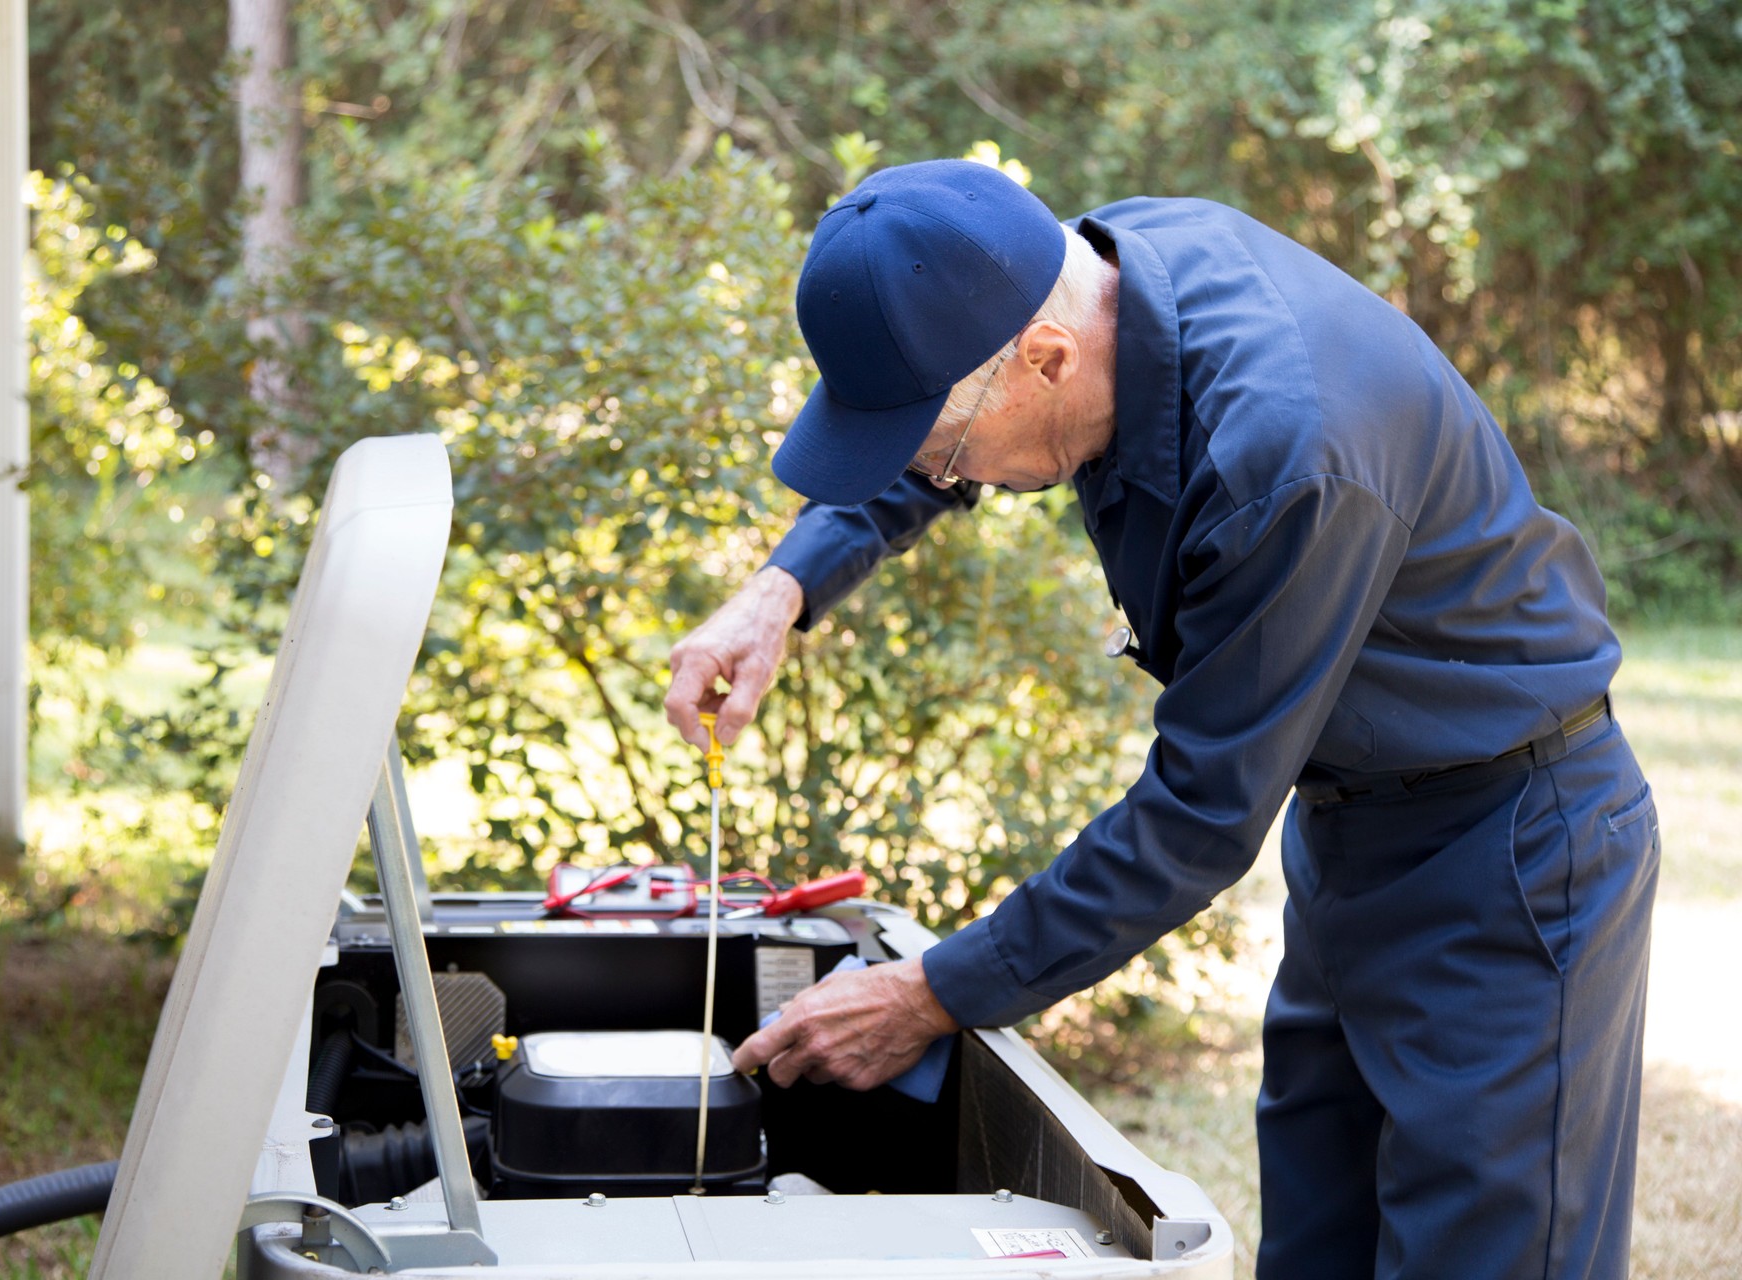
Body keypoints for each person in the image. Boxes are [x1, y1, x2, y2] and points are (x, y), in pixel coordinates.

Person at [662, 159, 1658, 1279]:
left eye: (939, 445)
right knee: (1320, 1244)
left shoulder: (1284, 457)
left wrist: (933, 991)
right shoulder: (1082, 280)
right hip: (1349, 832)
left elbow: (1196, 814)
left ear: (1045, 363)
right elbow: (938, 430)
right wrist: (782, 587)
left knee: (1483, 1256)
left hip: (1510, 851)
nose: (943, 473)